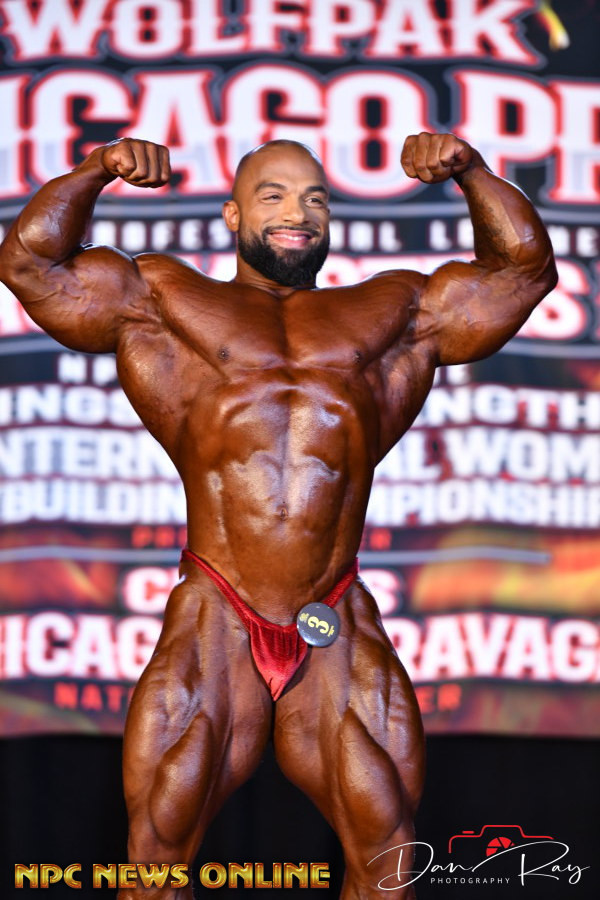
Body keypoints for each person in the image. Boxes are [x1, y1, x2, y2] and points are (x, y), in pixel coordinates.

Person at [0, 133, 556, 898]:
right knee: (157, 849)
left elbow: (523, 272)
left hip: (334, 611)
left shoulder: (391, 310)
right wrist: (96, 171)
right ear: (232, 214)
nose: (299, 212)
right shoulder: (164, 300)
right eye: (275, 196)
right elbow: (31, 265)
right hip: (216, 610)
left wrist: (472, 172)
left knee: (388, 850)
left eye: (315, 198)